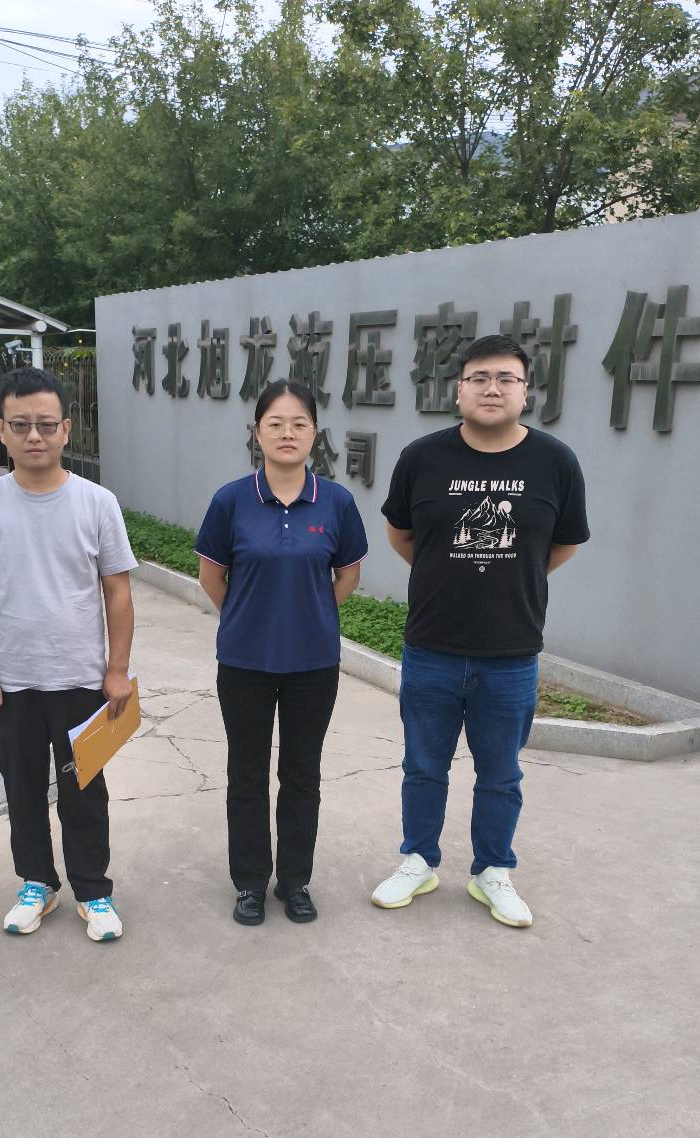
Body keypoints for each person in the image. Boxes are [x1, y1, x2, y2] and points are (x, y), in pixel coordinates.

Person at [371, 335, 589, 928]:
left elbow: (562, 544)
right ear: (459, 389)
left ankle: (493, 870)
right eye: (479, 378)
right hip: (432, 646)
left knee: (501, 775)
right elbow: (402, 534)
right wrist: (448, 570)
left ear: (526, 391)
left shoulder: (555, 462)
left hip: (511, 650)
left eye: (506, 378)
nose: (493, 389)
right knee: (423, 766)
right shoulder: (422, 457)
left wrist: (512, 577)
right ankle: (418, 860)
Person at [0, 368, 137, 941]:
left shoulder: (97, 503)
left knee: (84, 792)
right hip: (12, 682)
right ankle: (37, 882)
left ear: (66, 430)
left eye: (47, 424)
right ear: (1, 430)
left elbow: (117, 592)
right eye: (22, 425)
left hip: (81, 679)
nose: (35, 435)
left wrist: (117, 671)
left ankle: (93, 890)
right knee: (23, 789)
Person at [196, 380, 369, 926]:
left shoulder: (336, 502)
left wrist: (307, 611)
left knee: (301, 774)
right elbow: (211, 575)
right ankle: (250, 882)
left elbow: (347, 576)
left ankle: (295, 881)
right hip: (244, 662)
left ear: (315, 433)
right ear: (257, 432)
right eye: (275, 423)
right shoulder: (231, 501)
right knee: (246, 773)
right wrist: (249, 615)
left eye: (299, 424)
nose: (287, 433)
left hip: (313, 663)